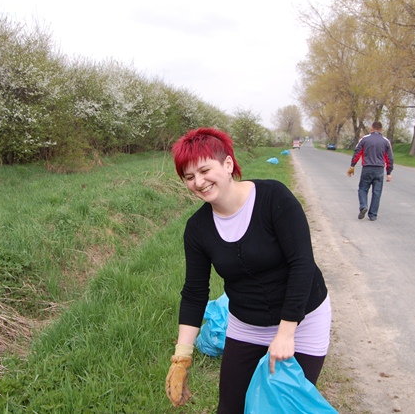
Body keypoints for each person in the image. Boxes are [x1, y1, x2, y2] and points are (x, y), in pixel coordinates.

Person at [165, 127, 331, 413]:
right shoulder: (197, 228)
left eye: (205, 170)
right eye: (189, 177)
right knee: (230, 408)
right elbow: (194, 293)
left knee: (282, 407)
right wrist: (182, 358)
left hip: (302, 321)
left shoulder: (273, 198)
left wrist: (286, 332)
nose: (199, 182)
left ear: (228, 164)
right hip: (246, 325)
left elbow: (302, 264)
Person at [347, 121, 394, 221]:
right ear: (381, 129)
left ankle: (363, 206)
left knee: (363, 189)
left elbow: (357, 152)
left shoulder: (364, 139)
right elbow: (389, 158)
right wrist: (389, 172)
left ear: (371, 128)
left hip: (367, 168)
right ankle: (373, 215)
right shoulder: (386, 141)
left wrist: (352, 165)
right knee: (377, 192)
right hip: (379, 170)